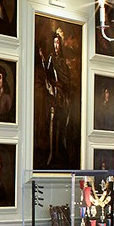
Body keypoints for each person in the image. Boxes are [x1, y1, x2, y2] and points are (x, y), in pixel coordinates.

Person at [39, 28, 74, 166]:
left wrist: (64, 87)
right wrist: (43, 59)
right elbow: (48, 74)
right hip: (55, 94)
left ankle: (61, 152)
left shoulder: (64, 62)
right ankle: (53, 153)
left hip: (63, 96)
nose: (56, 45)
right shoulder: (51, 58)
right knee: (54, 124)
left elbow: (67, 80)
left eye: (58, 43)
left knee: (62, 126)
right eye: (54, 42)